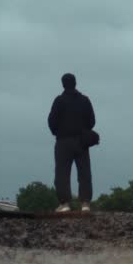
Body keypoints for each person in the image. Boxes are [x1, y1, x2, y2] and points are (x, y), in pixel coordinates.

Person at [47, 72, 95, 212]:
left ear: (63, 84)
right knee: (84, 172)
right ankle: (85, 203)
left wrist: (58, 132)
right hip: (81, 141)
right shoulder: (85, 100)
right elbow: (92, 121)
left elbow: (51, 121)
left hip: (63, 142)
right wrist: (84, 130)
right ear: (75, 83)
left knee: (62, 173)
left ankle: (65, 204)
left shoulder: (59, 101)